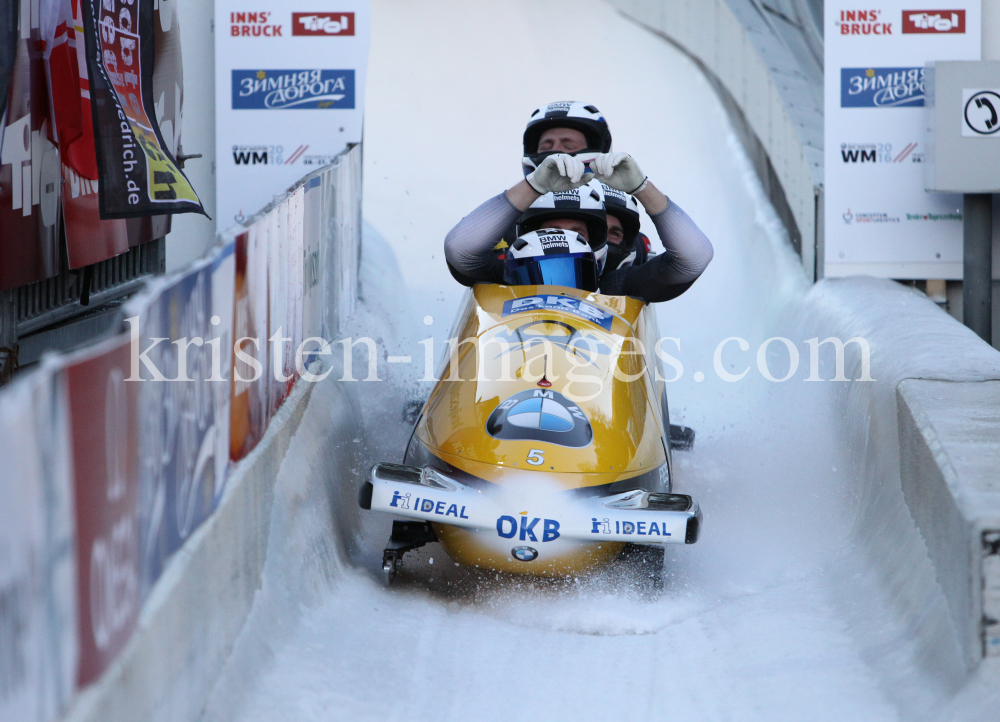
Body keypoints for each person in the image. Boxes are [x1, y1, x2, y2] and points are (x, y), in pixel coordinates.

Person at [444, 101, 713, 302]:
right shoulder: (503, 271)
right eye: (547, 145)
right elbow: (460, 249)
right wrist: (534, 185)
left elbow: (693, 258)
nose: (558, 153)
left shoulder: (616, 285)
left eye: (576, 233)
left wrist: (642, 188)